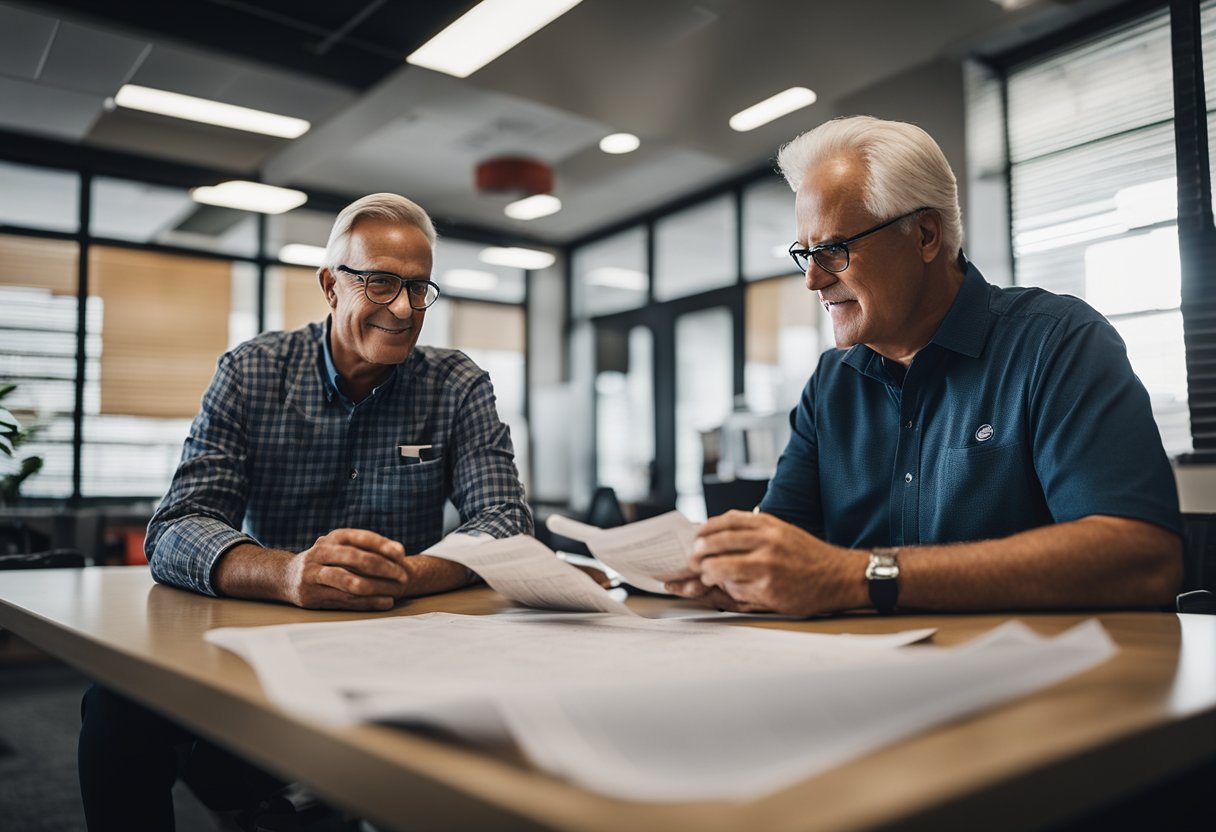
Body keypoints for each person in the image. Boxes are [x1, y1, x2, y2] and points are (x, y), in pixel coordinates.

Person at [79, 193, 533, 830]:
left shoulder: (457, 384)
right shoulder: (252, 372)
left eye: (418, 288)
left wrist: (408, 575)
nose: (403, 309)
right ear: (330, 284)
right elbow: (178, 526)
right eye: (379, 283)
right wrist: (289, 575)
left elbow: (505, 522)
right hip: (268, 634)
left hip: (402, 639)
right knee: (116, 705)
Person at [666, 116, 1182, 617]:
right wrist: (727, 573)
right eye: (807, 253)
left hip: (1043, 686)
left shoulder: (1056, 342)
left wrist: (859, 577)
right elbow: (782, 553)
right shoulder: (831, 385)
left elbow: (1139, 556)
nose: (813, 281)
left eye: (835, 250)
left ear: (925, 235)